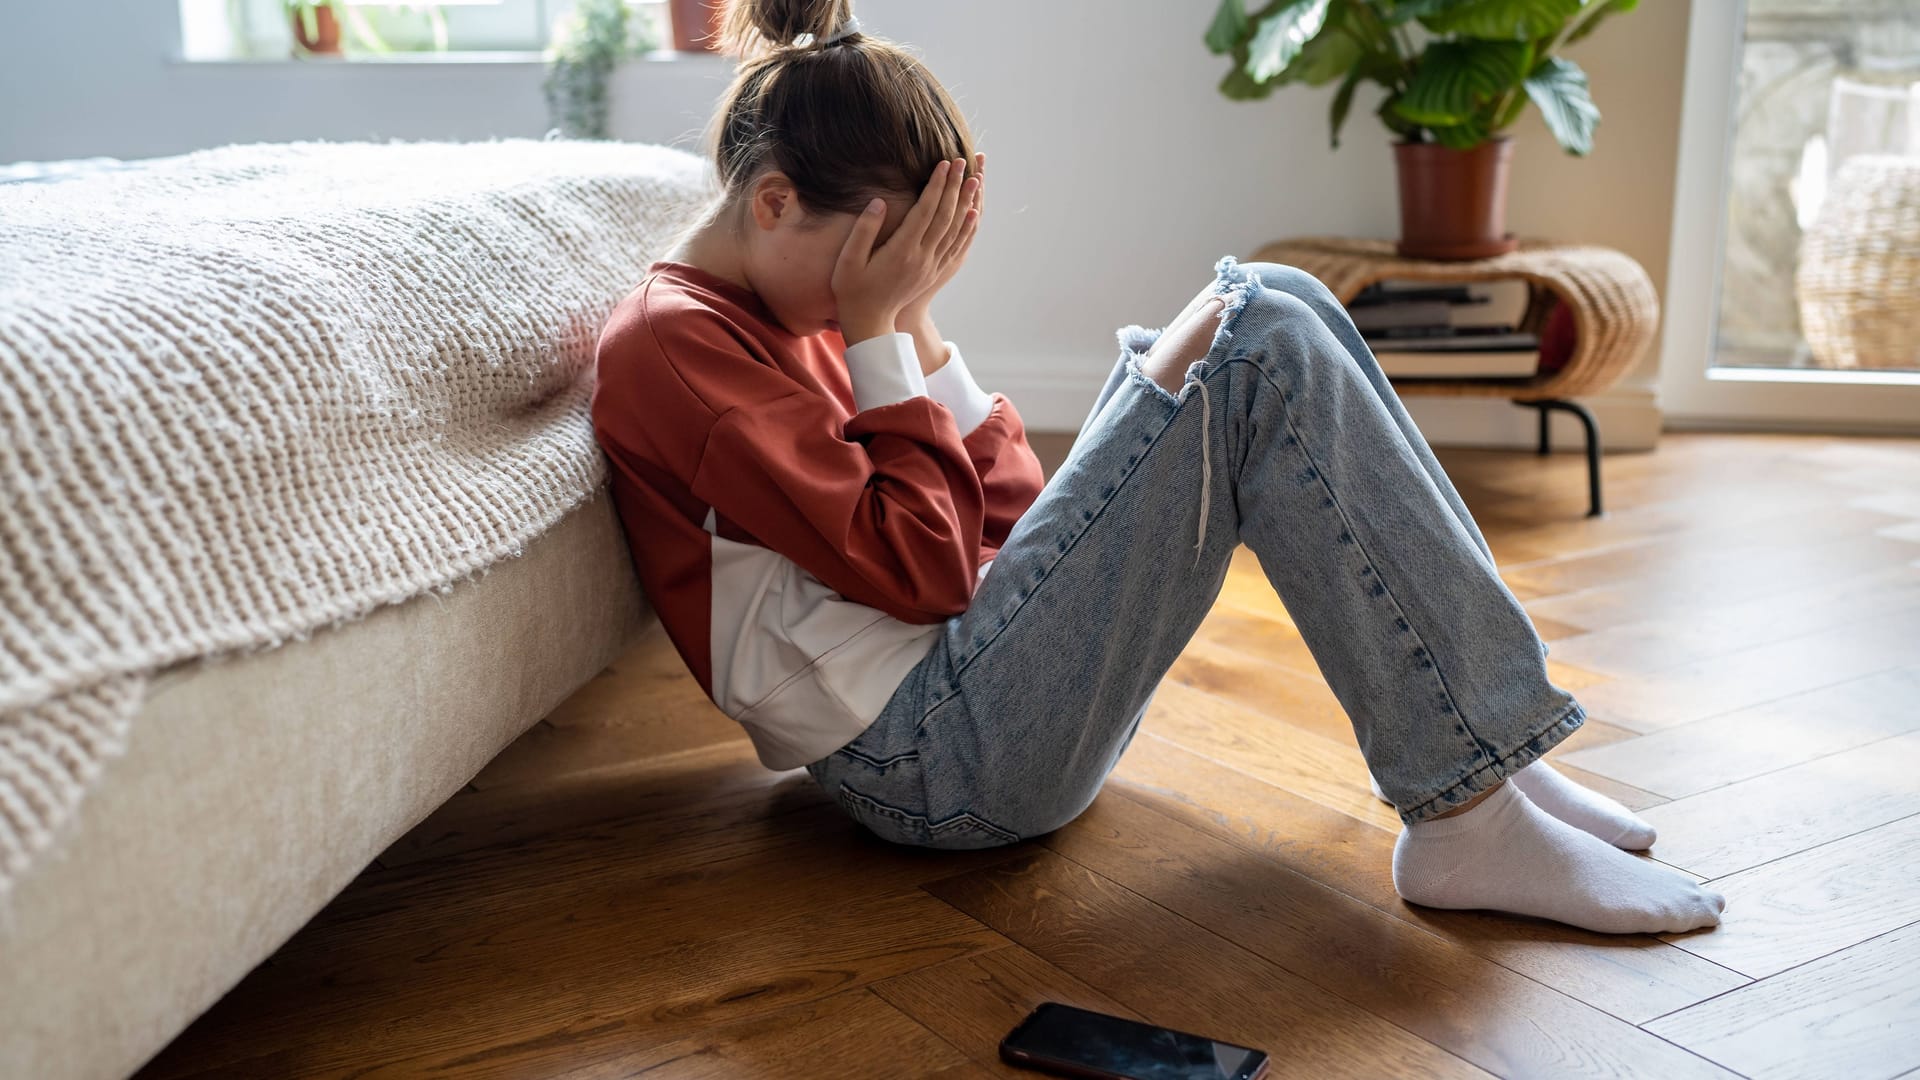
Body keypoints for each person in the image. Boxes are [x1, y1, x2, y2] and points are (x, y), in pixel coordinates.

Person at [589, 0, 1726, 936]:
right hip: (931, 764)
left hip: (980, 696)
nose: (871, 297)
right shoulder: (677, 346)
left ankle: (1487, 760)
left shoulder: (796, 303)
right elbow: (926, 573)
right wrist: (880, 327)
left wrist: (915, 325)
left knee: (1278, 298)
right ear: (776, 202)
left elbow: (1012, 526)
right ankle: (1469, 807)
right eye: (879, 254)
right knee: (1259, 345)